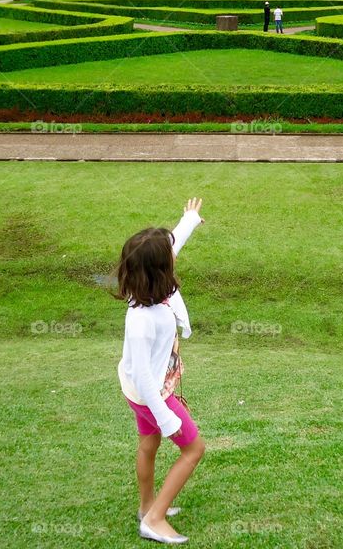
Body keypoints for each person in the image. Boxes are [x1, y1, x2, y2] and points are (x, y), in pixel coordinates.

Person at [117, 198, 207, 545]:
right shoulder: (141, 320)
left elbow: (173, 245)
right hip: (154, 394)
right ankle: (154, 520)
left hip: (143, 392)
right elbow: (143, 376)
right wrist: (166, 418)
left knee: (148, 444)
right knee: (194, 448)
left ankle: (146, 507)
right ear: (160, 271)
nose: (175, 254)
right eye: (169, 258)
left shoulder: (148, 290)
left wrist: (189, 219)